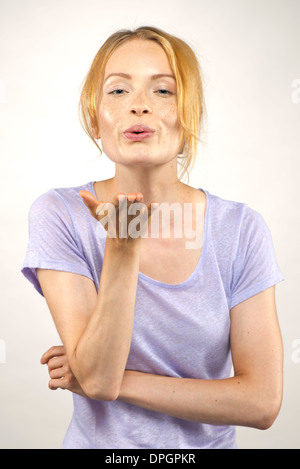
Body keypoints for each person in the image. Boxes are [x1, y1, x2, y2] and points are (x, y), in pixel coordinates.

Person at [21, 26, 284, 449]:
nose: (139, 107)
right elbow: (98, 379)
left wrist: (109, 379)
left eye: (163, 91)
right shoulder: (60, 214)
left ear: (190, 114)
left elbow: (262, 402)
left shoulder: (240, 229)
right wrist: (122, 248)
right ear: (95, 118)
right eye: (118, 91)